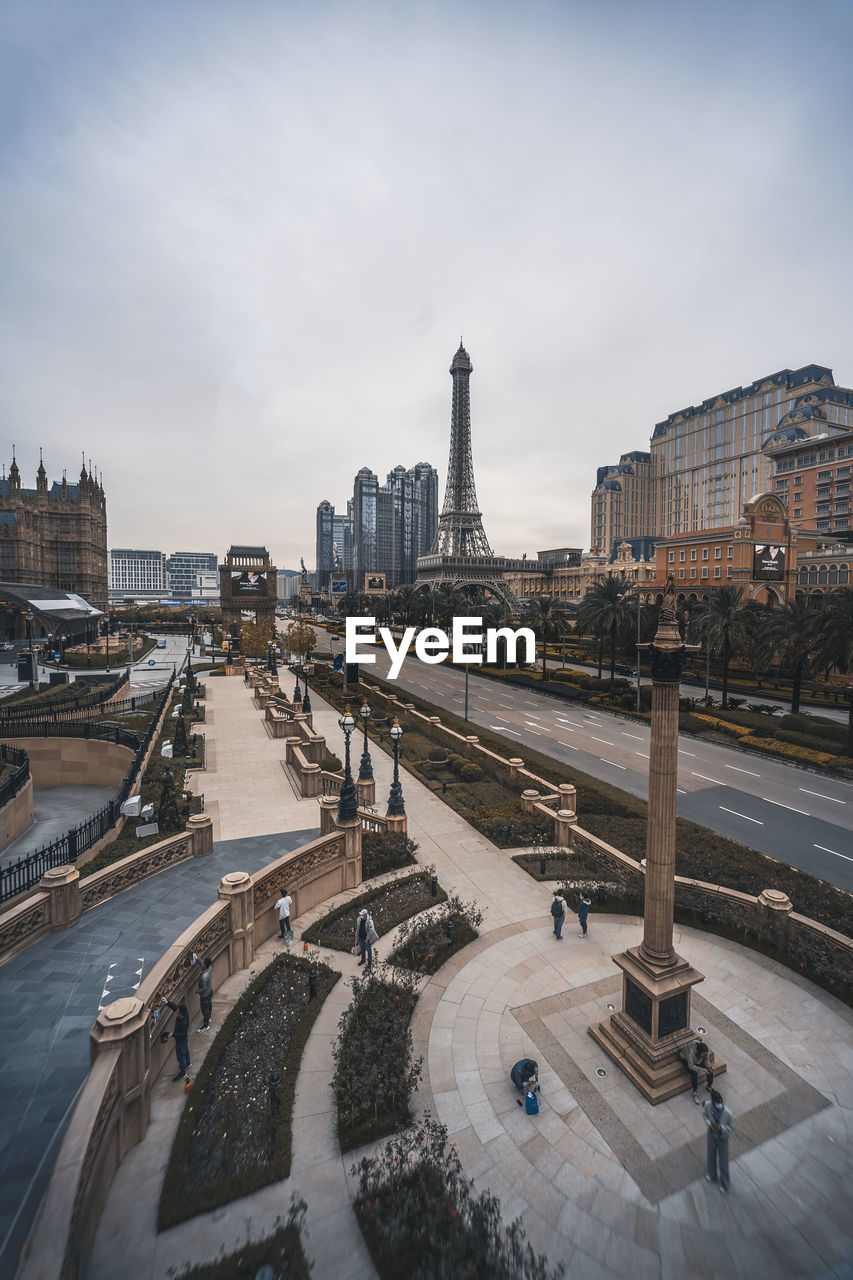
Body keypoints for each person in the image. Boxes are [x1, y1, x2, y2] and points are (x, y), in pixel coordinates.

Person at [703, 1088, 734, 1193]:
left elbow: (731, 1128)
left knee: (723, 1162)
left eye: (720, 1102)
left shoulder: (728, 1113)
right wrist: (710, 1125)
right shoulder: (708, 1105)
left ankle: (725, 1183)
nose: (719, 1104)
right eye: (717, 1102)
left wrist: (722, 1128)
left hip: (723, 1139)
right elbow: (705, 1115)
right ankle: (712, 1174)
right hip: (712, 1136)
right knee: (711, 1155)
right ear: (712, 1102)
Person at [680, 1038, 714, 1103]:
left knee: (710, 1070)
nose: (705, 1055)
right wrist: (703, 1070)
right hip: (686, 1060)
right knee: (694, 1074)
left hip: (697, 1060)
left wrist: (708, 1066)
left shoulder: (703, 1050)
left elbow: (706, 1058)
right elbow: (691, 1065)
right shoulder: (691, 1050)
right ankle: (694, 1092)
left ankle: (709, 1085)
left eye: (705, 1054)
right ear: (699, 1052)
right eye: (703, 1054)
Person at [165, 1000, 191, 1080]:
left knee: (180, 1057)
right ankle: (188, 1063)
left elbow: (181, 1034)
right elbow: (175, 1008)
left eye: (178, 1012)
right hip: (184, 1039)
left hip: (181, 1041)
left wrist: (172, 1035)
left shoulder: (183, 1023)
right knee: (186, 1050)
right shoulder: (185, 1014)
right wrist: (167, 1002)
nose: (176, 1012)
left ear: (181, 1014)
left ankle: (183, 1073)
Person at [197, 957, 213, 1032]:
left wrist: (197, 991)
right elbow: (201, 963)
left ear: (205, 965)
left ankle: (205, 1025)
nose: (202, 963)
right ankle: (209, 1017)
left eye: (203, 963)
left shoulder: (204, 977)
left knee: (204, 1010)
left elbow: (203, 989)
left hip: (204, 995)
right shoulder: (209, 967)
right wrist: (197, 958)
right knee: (209, 1005)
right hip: (210, 991)